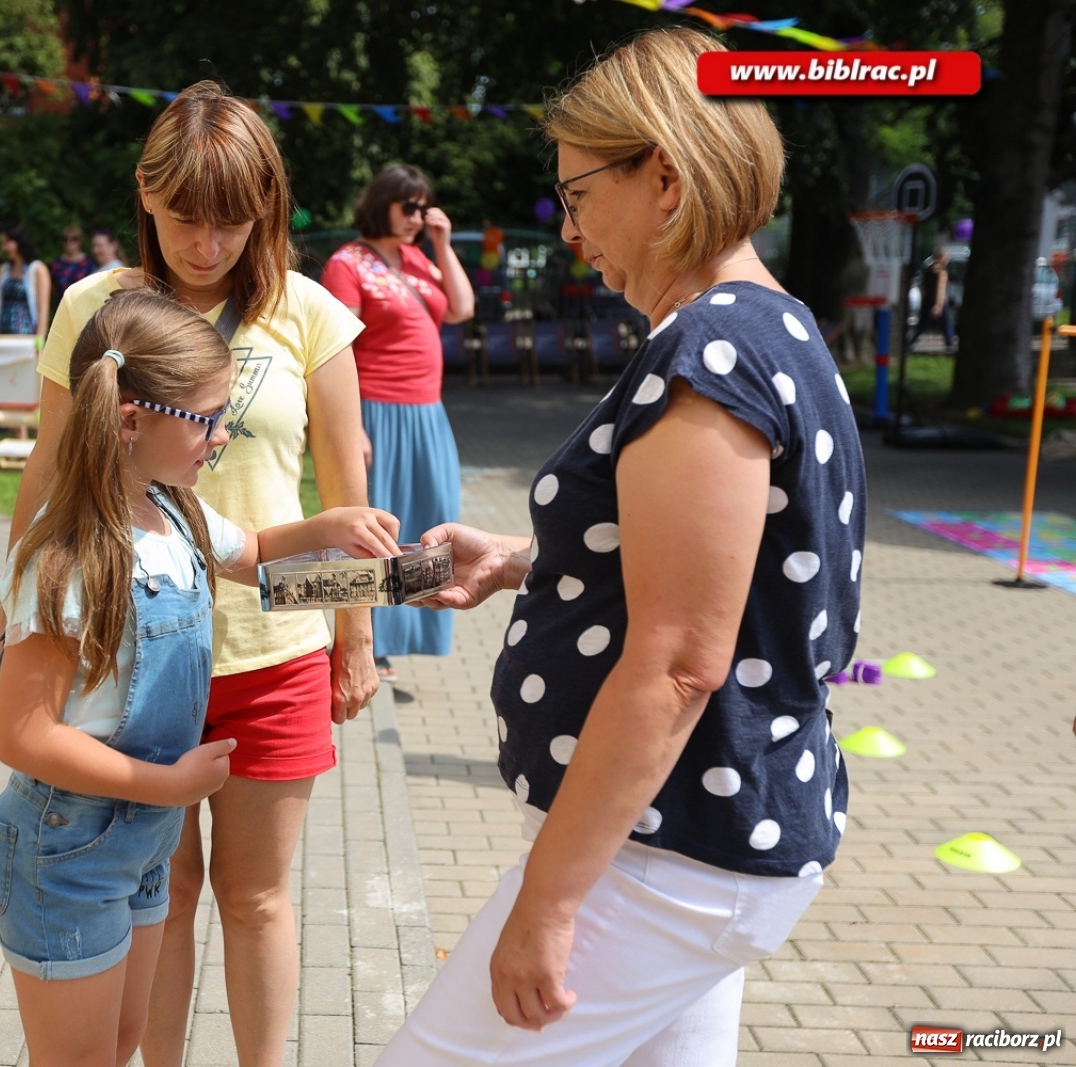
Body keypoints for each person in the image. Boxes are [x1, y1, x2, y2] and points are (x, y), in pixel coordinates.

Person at [379, 28, 866, 1066]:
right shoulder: (768, 329)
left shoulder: (711, 351)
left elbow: (683, 654)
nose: (568, 230)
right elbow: (704, 570)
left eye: (578, 194)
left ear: (666, 178)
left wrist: (547, 902)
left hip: (669, 850)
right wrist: (518, 558)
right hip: (700, 840)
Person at [0, 81, 375, 1067]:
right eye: (187, 218)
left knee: (256, 890)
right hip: (127, 654)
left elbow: (337, 486)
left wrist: (355, 638)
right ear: (145, 197)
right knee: (159, 886)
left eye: (233, 221)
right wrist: (6, 612)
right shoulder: (93, 308)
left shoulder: (309, 312)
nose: (208, 244)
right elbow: (50, 467)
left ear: (268, 210)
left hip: (272, 649)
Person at [321, 164, 475, 684]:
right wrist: (351, 425)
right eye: (408, 206)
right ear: (382, 202)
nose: (417, 216)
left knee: (431, 520)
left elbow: (461, 308)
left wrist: (442, 241)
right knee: (377, 529)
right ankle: (369, 639)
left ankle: (412, 634)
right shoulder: (348, 262)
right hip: (375, 413)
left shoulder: (417, 257)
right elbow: (334, 347)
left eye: (423, 206)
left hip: (428, 413)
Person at [0, 224, 50, 342]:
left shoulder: (38, 269)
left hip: (27, 340)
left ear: (19, 242)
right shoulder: (2, 270)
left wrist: (39, 341)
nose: (4, 248)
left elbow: (43, 309)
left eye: (7, 243)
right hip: (1, 338)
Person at [908, 247, 954, 350]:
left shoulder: (929, 270)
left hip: (927, 300)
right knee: (947, 323)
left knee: (922, 324)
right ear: (941, 258)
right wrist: (938, 305)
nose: (947, 260)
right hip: (940, 302)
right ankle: (950, 344)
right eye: (946, 258)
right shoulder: (941, 272)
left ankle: (910, 342)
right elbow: (940, 289)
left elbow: (924, 286)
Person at [49, 223, 98, 309]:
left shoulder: (89, 263)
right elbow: (52, 289)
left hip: (84, 308)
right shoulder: (56, 264)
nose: (69, 242)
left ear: (80, 241)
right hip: (61, 307)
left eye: (74, 239)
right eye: (65, 239)